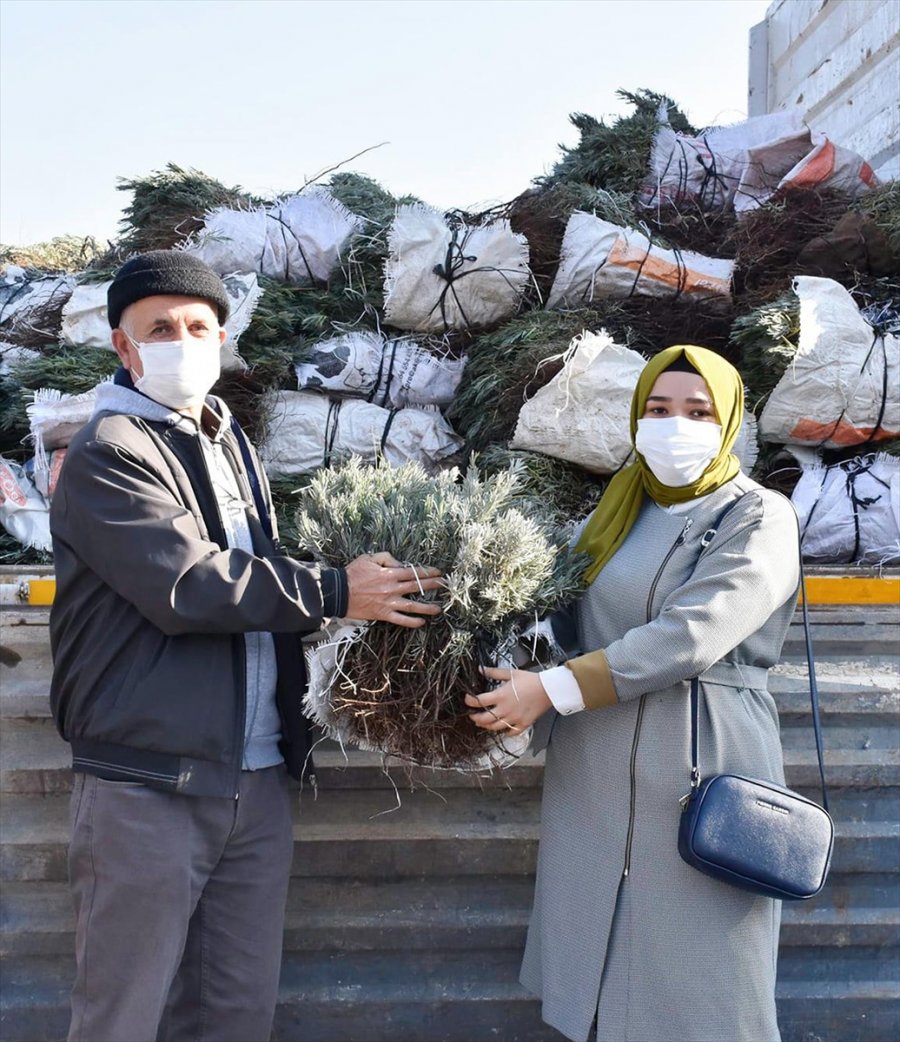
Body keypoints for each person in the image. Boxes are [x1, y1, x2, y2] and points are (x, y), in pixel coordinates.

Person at [48, 250, 442, 1042]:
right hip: (149, 782)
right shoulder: (108, 450)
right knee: (122, 1015)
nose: (182, 340)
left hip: (253, 782)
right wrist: (334, 591)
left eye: (198, 326)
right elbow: (189, 584)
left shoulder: (230, 443)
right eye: (159, 328)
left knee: (234, 1012)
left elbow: (258, 580)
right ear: (123, 348)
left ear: (223, 337)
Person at [467, 344, 800, 1042]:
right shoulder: (615, 514)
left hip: (700, 761)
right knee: (596, 963)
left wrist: (553, 689)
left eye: (697, 411)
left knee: (699, 983)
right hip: (597, 764)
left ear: (731, 421)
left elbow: (693, 634)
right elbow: (559, 609)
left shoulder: (758, 516)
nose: (675, 424)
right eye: (657, 409)